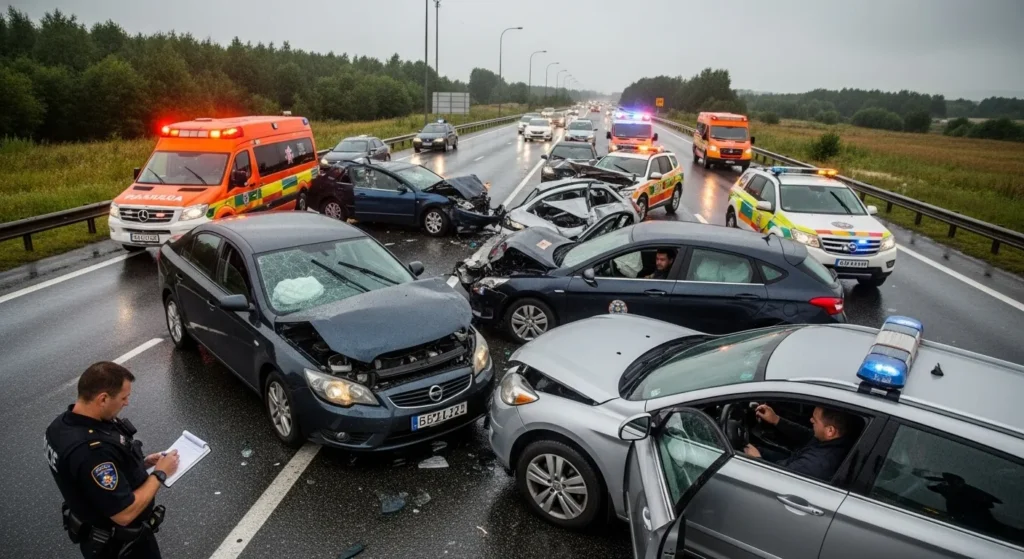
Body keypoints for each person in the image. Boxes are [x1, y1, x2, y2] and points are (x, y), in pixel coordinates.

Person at [45, 362, 179, 558]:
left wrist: (144, 463)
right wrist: (159, 474)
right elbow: (124, 514)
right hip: (121, 547)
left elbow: (91, 480)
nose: (127, 403)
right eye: (124, 397)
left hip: (98, 535)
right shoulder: (91, 452)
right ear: (103, 399)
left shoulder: (58, 427)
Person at [744, 404, 854, 482]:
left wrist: (757, 460)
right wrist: (776, 420)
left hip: (783, 474)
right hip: (792, 460)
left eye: (815, 419)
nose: (811, 420)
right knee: (757, 448)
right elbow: (806, 435)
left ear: (830, 430)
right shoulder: (835, 440)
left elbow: (775, 479)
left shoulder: (816, 463)